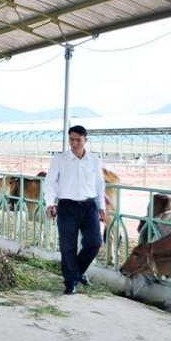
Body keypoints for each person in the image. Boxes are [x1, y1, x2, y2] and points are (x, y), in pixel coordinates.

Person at [44, 125, 106, 295]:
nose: (74, 143)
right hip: (67, 206)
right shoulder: (59, 159)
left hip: (89, 206)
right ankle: (71, 282)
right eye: (71, 139)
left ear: (85, 140)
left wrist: (101, 206)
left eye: (78, 139)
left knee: (94, 242)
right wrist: (50, 203)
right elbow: (50, 182)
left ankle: (78, 271)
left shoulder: (93, 159)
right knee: (68, 246)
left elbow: (100, 184)